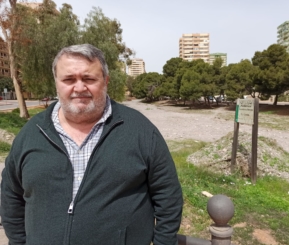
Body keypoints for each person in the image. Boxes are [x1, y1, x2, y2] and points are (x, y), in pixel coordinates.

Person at [1, 44, 183, 245]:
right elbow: (10, 195)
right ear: (56, 83)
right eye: (69, 79)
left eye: (89, 79)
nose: (79, 88)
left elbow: (169, 197)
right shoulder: (32, 132)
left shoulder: (140, 130)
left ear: (105, 81)